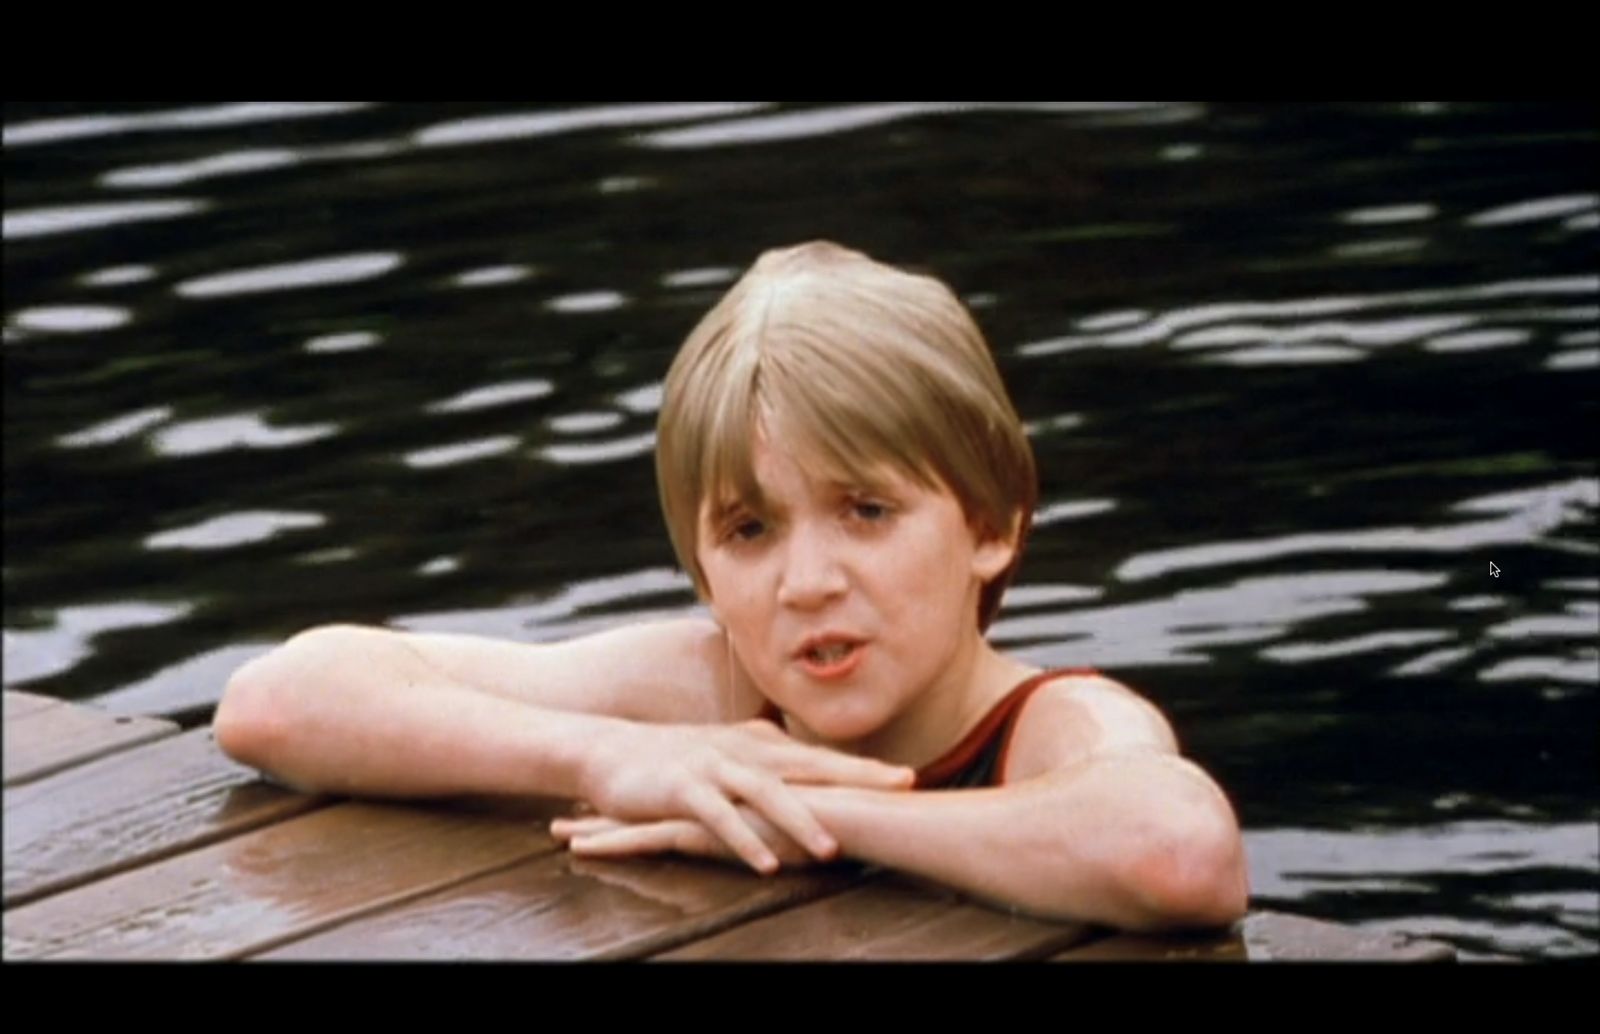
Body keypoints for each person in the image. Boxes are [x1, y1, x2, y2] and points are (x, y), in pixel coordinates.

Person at [215, 241, 1248, 931]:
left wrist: (811, 815)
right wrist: (616, 754)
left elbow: (1181, 851)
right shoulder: (706, 696)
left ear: (990, 525)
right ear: (701, 565)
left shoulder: (1046, 723)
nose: (806, 581)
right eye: (749, 528)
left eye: (867, 511)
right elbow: (278, 701)